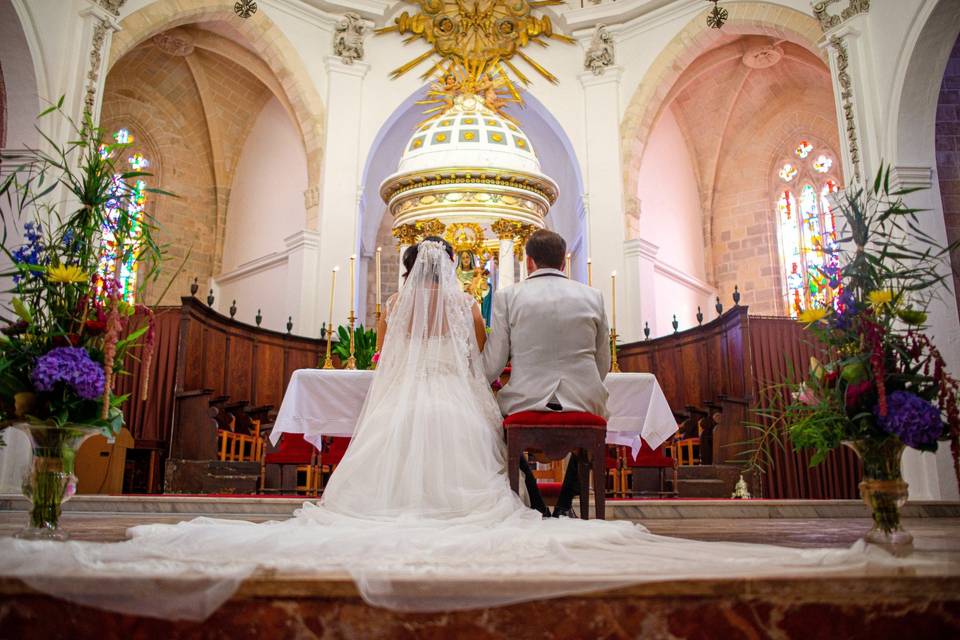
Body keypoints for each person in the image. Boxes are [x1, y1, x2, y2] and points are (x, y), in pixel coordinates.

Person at [482, 229, 610, 517]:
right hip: (585, 398)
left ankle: (537, 506)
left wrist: (469, 372)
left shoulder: (508, 297)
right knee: (595, 420)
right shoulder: (593, 297)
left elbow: (494, 364)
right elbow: (603, 362)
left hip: (525, 400)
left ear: (529, 262)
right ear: (563, 262)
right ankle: (564, 506)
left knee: (492, 424)